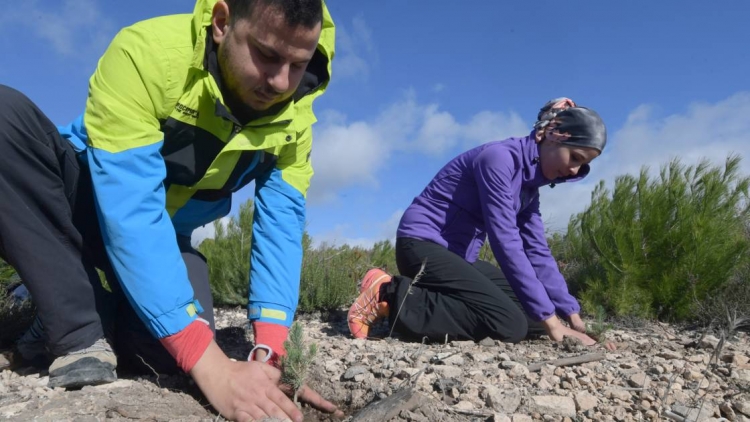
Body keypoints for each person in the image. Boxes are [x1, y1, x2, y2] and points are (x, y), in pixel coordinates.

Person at [0, 0, 343, 420]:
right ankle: (74, 326)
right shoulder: (145, 54)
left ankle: (98, 306)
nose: (280, 81)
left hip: (167, 236)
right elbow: (131, 209)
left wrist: (272, 351)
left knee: (166, 358)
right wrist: (213, 366)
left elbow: (281, 224)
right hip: (81, 202)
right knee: (4, 116)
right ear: (222, 23)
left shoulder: (296, 118)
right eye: (267, 54)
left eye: (297, 63)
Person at [348, 98, 614, 350]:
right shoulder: (499, 159)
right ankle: (388, 295)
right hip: (421, 245)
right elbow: (505, 241)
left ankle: (423, 296)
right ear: (553, 136)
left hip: (460, 258)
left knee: (535, 317)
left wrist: (572, 317)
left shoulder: (529, 188)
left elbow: (537, 250)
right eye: (576, 158)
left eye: (584, 165)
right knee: (509, 325)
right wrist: (555, 327)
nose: (575, 171)